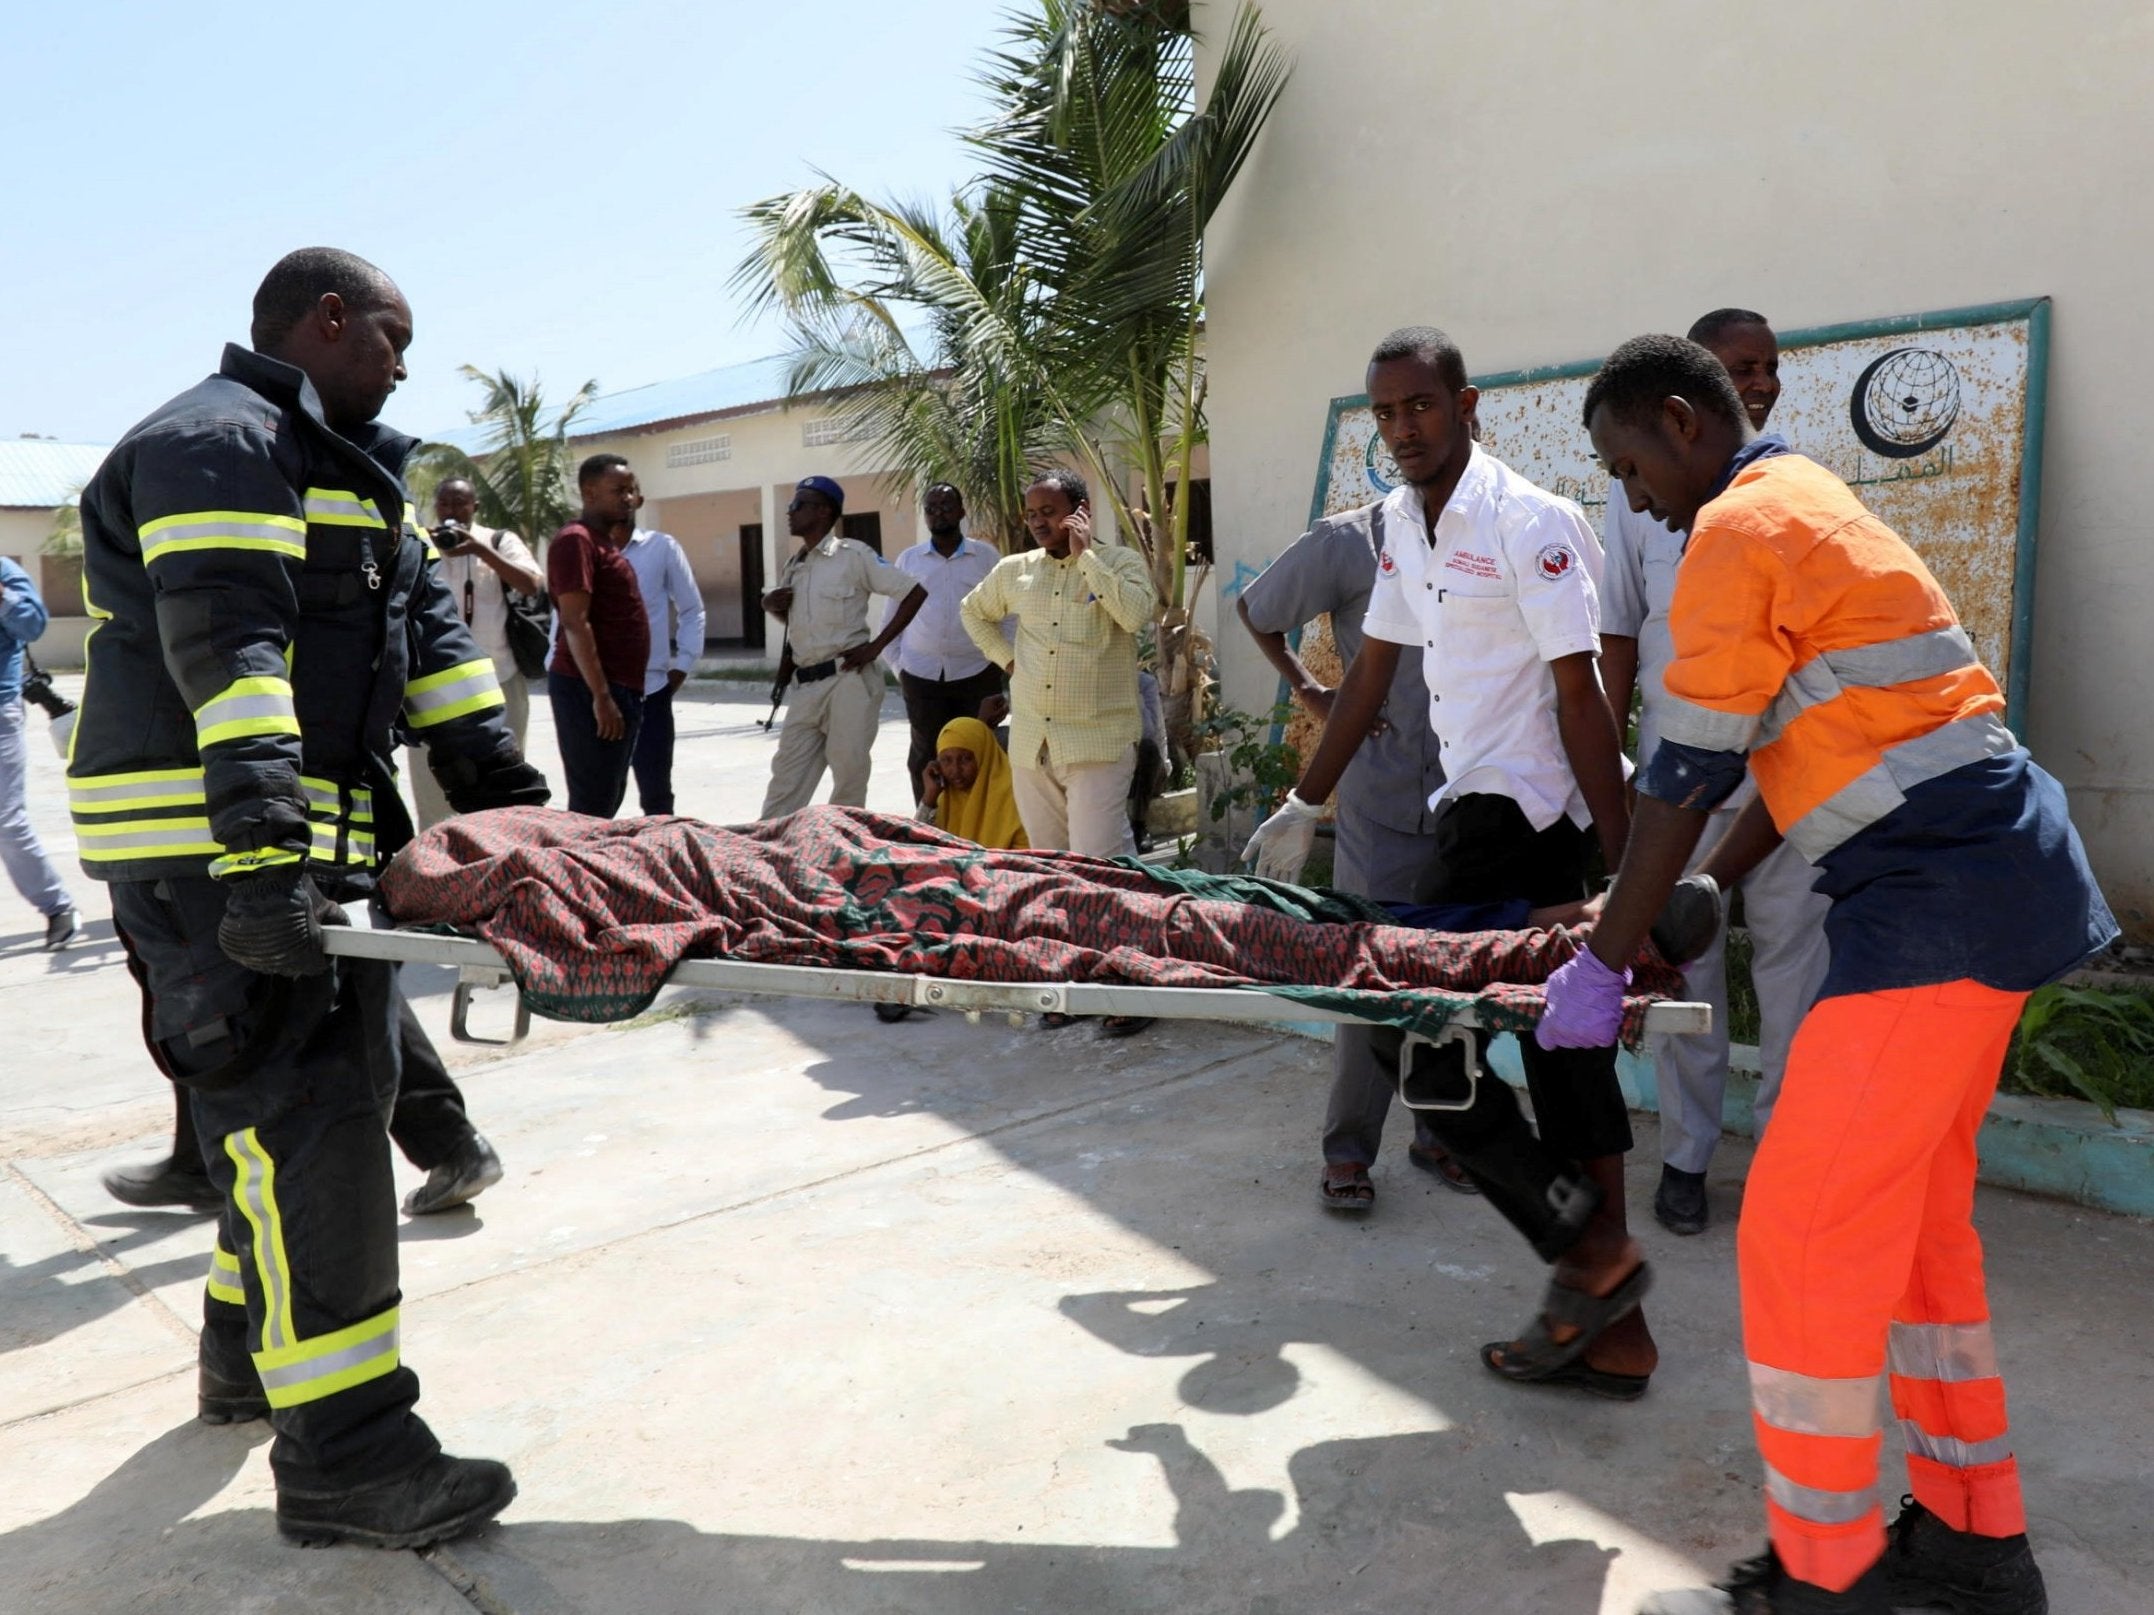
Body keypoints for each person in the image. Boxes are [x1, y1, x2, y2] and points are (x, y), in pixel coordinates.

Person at [1548, 333, 2115, 1613]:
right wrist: (1710, 889)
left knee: (1798, 1240)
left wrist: (1601, 958)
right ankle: (1977, 1540)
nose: (1630, 496)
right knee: (1915, 1238)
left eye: (1628, 465)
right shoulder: (1807, 499)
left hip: (1935, 904)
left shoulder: (1737, 532)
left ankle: (1823, 1576)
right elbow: (1808, 726)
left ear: (1686, 425)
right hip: (1984, 881)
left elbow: (1680, 775)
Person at [66, 247, 548, 1547]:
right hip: (211, 847)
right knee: (313, 1122)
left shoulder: (349, 470)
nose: (403, 361)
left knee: (291, 1117)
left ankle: (244, 1354)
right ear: (326, 321)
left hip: (301, 845)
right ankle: (348, 1452)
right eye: (393, 335)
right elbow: (233, 647)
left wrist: (500, 790)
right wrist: (267, 853)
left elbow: (428, 647)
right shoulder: (219, 443)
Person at [1243, 327, 1652, 1398]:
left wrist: (1621, 874)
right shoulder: (1401, 536)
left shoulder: (1531, 522)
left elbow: (1584, 699)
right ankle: (1609, 1308)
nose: (1402, 429)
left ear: (1467, 405)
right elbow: (1372, 676)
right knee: (1454, 1054)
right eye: (1383, 413)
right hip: (1463, 825)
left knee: (1497, 1060)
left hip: (1537, 828)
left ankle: (1598, 1275)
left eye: (1419, 406)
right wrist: (1302, 800)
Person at [1598, 310, 1831, 1236]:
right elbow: (1617, 632)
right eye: (1742, 367)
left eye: (1771, 367)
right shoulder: (1642, 488)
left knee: (1795, 971)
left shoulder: (1791, 489)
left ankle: (1789, 1163)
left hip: (1780, 784)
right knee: (1685, 975)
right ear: (1688, 400)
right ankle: (1687, 1159)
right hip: (1678, 784)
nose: (1762, 382)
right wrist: (1616, 766)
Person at [1237, 499, 1473, 1211]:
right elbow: (1259, 607)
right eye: (1392, 413)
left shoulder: (1491, 529)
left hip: (1473, 795)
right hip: (1380, 798)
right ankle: (1348, 1148)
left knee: (1447, 971)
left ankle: (1440, 1133)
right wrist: (1313, 693)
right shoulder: (1348, 541)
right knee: (1367, 976)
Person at [960, 469, 1159, 1037]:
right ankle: (1071, 985)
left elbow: (1134, 616)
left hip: (1097, 742)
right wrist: (1008, 661)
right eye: (1032, 513)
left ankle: (1129, 987)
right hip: (1033, 746)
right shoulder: (1015, 571)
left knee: (1101, 868)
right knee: (1052, 868)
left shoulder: (1118, 563)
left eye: (1050, 511)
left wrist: (1086, 554)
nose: (1039, 522)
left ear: (1079, 510)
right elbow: (974, 612)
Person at [103, 996, 506, 1219]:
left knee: (199, 979)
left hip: (201, 857)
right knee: (345, 960)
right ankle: (452, 1143)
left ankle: (203, 1167)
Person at [758, 476, 928, 817]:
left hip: (847, 681)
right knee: (785, 781)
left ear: (823, 511)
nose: (790, 512)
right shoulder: (796, 565)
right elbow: (802, 623)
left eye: (798, 505)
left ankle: (843, 857)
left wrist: (875, 647)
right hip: (805, 685)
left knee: (848, 779)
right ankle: (770, 851)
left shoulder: (853, 555)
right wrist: (771, 606)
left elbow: (914, 593)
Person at [405, 477, 544, 829]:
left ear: (475, 507)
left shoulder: (498, 541)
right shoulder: (421, 544)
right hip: (432, 690)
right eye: (445, 503)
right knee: (432, 790)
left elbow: (532, 585)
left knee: (504, 783)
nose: (452, 511)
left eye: (460, 503)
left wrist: (480, 551)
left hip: (500, 682)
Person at [549, 454, 650, 817]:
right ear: (589, 493)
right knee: (591, 809)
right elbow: (576, 622)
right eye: (618, 490)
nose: (628, 497)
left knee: (606, 800)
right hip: (589, 689)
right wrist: (601, 697)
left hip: (621, 688)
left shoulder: (604, 543)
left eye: (631, 490)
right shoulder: (575, 541)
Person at [892, 483, 1005, 800]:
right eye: (931, 508)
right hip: (922, 675)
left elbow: (1007, 613)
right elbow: (893, 617)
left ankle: (976, 826)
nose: (938, 512)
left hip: (976, 673)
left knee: (978, 753)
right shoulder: (910, 560)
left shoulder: (985, 557)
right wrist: (899, 668)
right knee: (926, 756)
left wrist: (1002, 664)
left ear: (961, 511)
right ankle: (930, 828)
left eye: (946, 505)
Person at [1, 555, 77, 950]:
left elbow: (33, 625)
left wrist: (1, 596)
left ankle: (57, 907)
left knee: (6, 821)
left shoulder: (4, 572)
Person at [623, 489, 707, 816]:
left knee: (657, 797)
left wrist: (683, 663)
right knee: (594, 801)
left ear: (638, 500)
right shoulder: (582, 551)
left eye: (625, 491)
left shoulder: (661, 548)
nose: (619, 499)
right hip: (593, 696)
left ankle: (664, 860)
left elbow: (691, 609)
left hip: (650, 693)